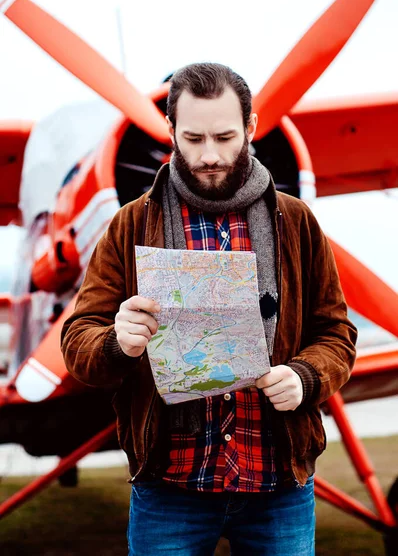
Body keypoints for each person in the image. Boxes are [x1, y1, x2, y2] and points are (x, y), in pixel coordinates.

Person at [61, 62, 357, 556]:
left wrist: (305, 376)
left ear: (251, 128)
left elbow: (336, 333)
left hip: (277, 484)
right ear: (171, 131)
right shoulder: (128, 226)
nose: (210, 155)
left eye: (224, 136)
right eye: (193, 138)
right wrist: (117, 341)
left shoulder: (299, 222)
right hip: (169, 486)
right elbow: (78, 339)